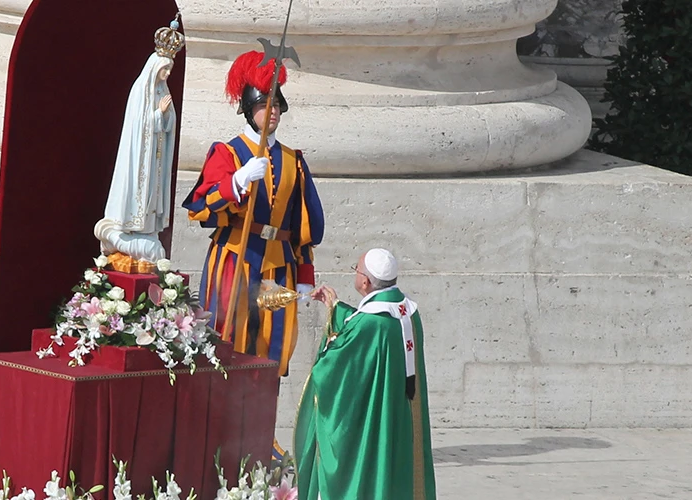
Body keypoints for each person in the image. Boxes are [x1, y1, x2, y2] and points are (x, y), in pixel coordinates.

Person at [182, 50, 325, 378]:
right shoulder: (228, 153)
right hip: (236, 260)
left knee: (274, 345)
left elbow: (303, 226)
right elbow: (201, 206)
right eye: (264, 105)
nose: (272, 111)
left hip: (279, 265)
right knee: (230, 343)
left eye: (276, 105)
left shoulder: (294, 161)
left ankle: (263, 428)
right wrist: (237, 180)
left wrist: (304, 278)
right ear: (249, 109)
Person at [295, 248, 437, 500]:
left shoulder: (371, 323)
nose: (356, 274)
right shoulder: (409, 313)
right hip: (401, 412)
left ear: (366, 281)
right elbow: (365, 331)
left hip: (377, 417)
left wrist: (327, 349)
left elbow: (331, 370)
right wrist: (335, 307)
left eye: (356, 269)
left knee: (373, 465)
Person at [94, 16, 185, 263]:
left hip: (156, 158)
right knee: (138, 192)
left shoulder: (163, 92)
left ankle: (146, 228)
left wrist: (165, 118)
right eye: (164, 69)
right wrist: (158, 115)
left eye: (169, 70)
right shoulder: (140, 91)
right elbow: (138, 126)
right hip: (141, 158)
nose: (167, 74)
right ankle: (126, 227)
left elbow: (169, 127)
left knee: (152, 199)